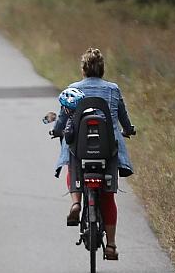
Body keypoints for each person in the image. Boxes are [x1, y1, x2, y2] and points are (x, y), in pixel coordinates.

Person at [52, 48, 134, 261]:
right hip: (108, 149)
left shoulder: (73, 89)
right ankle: (112, 246)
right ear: (102, 69)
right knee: (108, 196)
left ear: (83, 69)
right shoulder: (113, 89)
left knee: (73, 164)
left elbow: (62, 119)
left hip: (80, 149)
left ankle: (76, 202)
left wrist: (56, 130)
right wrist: (129, 128)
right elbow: (123, 118)